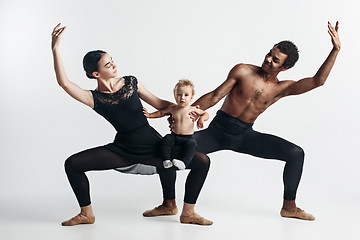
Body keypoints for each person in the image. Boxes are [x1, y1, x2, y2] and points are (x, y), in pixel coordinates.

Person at [144, 21, 340, 221]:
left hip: (244, 136)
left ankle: (289, 207)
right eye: (269, 54)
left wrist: (335, 50)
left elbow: (318, 81)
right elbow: (215, 95)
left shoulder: (283, 88)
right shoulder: (243, 70)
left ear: (285, 67)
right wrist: (187, 114)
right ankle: (169, 204)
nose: (268, 59)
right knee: (166, 149)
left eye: (275, 59)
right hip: (217, 132)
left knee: (296, 153)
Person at [51, 23, 212, 226]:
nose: (114, 66)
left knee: (200, 161)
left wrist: (180, 111)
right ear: (96, 74)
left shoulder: (131, 82)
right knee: (72, 164)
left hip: (150, 141)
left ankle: (179, 209)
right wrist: (56, 49)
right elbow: (64, 83)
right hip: (123, 148)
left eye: (112, 61)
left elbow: (158, 103)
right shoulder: (94, 98)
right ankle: (86, 214)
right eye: (107, 65)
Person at [144, 80, 209, 170]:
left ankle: (184, 163)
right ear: (175, 96)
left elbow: (206, 114)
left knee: (192, 144)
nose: (182, 97)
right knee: (166, 139)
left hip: (188, 138)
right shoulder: (172, 108)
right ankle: (166, 160)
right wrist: (150, 115)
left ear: (191, 98)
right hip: (174, 136)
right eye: (179, 94)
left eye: (186, 95)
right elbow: (161, 113)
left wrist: (201, 119)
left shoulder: (193, 109)